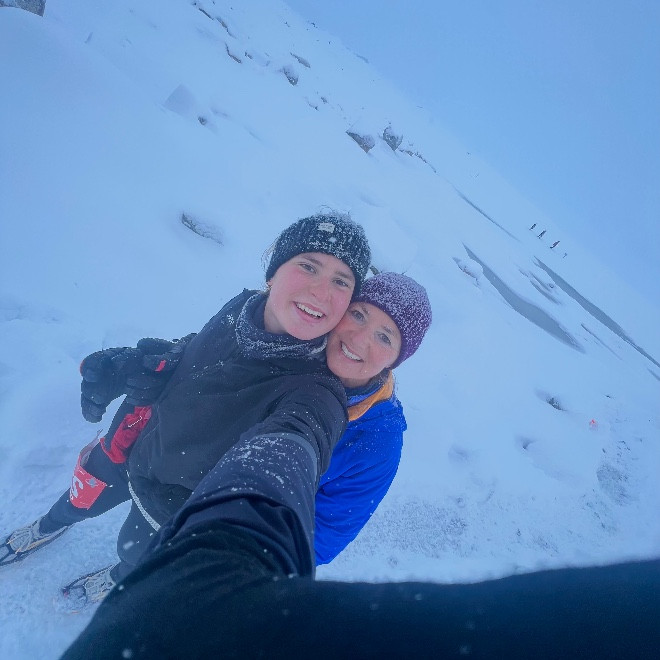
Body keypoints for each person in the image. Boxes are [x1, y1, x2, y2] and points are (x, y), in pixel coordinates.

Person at [61, 385, 660, 658]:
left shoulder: (378, 436)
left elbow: (332, 526)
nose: (360, 340)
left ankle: (121, 576)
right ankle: (124, 569)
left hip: (252, 540)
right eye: (357, 319)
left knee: (144, 566)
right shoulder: (295, 364)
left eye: (385, 335)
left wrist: (266, 543)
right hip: (184, 498)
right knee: (137, 544)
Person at [1, 212, 371, 599]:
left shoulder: (316, 391)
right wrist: (142, 363)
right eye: (308, 266)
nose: (321, 292)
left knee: (133, 554)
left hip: (170, 503)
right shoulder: (242, 307)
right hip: (132, 443)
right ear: (273, 273)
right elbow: (197, 352)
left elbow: (297, 443)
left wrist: (261, 525)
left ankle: (117, 578)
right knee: (79, 500)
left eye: (341, 281)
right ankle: (48, 526)